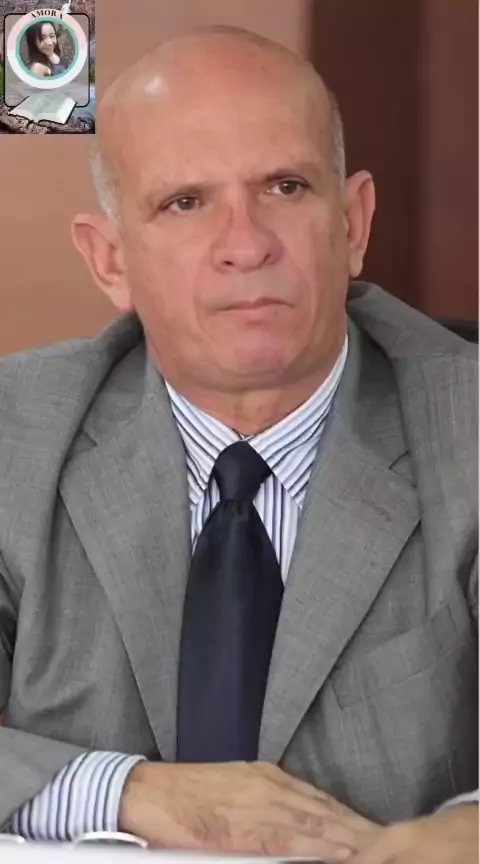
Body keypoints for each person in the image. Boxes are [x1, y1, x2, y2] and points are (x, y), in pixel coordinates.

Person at [0, 24, 477, 864]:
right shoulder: (17, 432)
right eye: (186, 203)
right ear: (110, 260)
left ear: (353, 223)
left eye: (285, 187)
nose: (247, 244)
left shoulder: (464, 426)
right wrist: (127, 791)